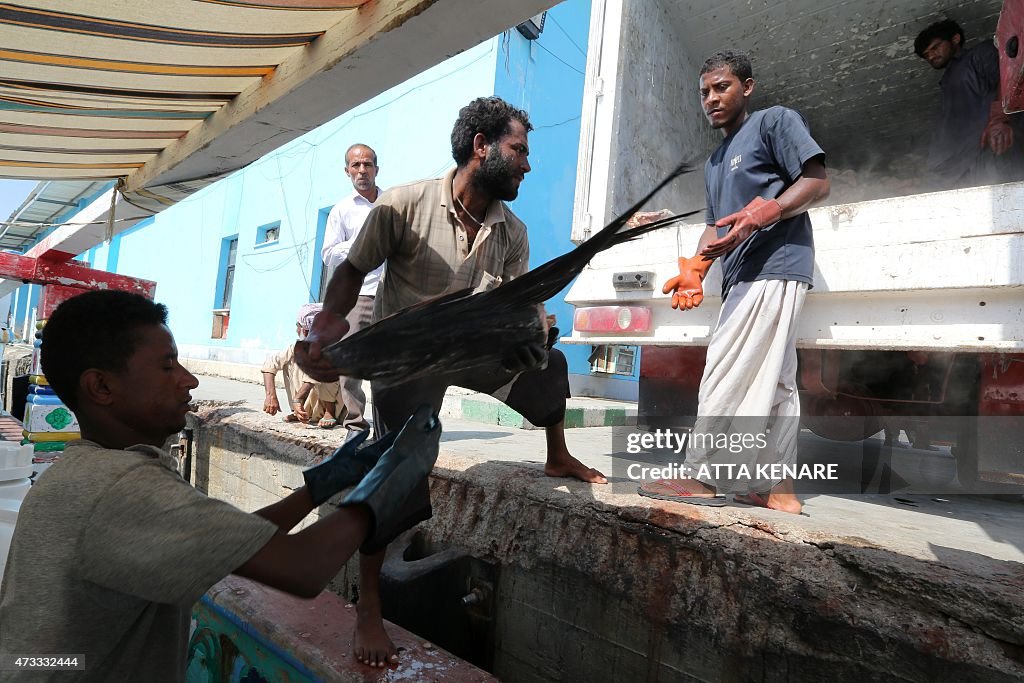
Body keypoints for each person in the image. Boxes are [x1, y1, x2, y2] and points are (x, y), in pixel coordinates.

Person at [297, 96, 606, 667]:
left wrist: (539, 327)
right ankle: (368, 602)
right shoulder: (401, 206)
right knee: (395, 464)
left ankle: (558, 453)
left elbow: (523, 305)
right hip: (407, 362)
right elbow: (350, 273)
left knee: (548, 367)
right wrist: (328, 330)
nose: (527, 164)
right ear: (480, 147)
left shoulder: (511, 231)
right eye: (519, 150)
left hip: (475, 350)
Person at [0, 290, 440, 681]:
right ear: (101, 386)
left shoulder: (82, 470)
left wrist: (320, 486)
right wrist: (387, 482)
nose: (189, 380)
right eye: (167, 365)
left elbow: (234, 545)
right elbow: (302, 568)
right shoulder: (121, 485)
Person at [635, 52, 830, 515]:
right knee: (780, 384)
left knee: (725, 368)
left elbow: (817, 181)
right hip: (744, 273)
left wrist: (768, 210)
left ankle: (704, 474)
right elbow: (713, 226)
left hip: (774, 264)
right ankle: (778, 488)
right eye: (704, 92)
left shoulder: (772, 123)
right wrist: (696, 269)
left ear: (747, 86)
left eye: (721, 87)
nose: (711, 99)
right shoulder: (716, 160)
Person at [321, 144, 384, 432]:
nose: (362, 170)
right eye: (356, 165)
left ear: (376, 169)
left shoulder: (392, 203)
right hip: (357, 296)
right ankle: (356, 425)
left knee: (388, 363)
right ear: (347, 171)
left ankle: (388, 427)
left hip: (391, 294)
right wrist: (359, 241)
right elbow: (328, 254)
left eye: (367, 164)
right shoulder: (341, 211)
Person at [915, 19, 1017, 185]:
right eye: (927, 55)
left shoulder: (979, 54)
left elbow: (1006, 79)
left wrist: (999, 119)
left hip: (989, 147)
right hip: (962, 163)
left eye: (935, 47)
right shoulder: (947, 80)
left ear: (955, 39)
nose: (931, 56)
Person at [262, 303, 341, 428]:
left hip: (335, 405)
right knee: (288, 361)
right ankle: (301, 410)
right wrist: (270, 396)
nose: (296, 330)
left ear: (304, 329)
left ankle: (329, 412)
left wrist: (297, 399)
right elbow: (271, 362)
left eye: (297, 326)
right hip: (309, 403)